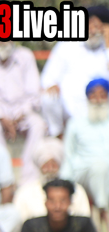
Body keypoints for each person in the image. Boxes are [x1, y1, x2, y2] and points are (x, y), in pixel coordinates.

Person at [0, 42, 45, 181]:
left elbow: (34, 93)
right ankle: (3, 178)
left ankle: (29, 179)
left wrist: (21, 114)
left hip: (23, 112)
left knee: (38, 125)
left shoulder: (26, 56)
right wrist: (1, 117)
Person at [40, 6, 109, 136]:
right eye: (89, 24)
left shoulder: (105, 50)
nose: (92, 30)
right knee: (48, 97)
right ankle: (58, 136)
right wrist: (52, 86)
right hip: (69, 108)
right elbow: (48, 78)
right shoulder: (67, 45)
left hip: (99, 107)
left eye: (97, 26)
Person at [13, 138, 92, 230]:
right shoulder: (24, 194)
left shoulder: (77, 191)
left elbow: (84, 224)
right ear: (39, 166)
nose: (50, 169)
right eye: (46, 165)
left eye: (53, 165)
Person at [60, 78, 109, 224]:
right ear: (88, 97)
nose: (98, 100)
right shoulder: (76, 123)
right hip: (83, 171)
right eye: (94, 95)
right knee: (99, 167)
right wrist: (64, 183)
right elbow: (68, 154)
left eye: (102, 95)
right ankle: (103, 211)